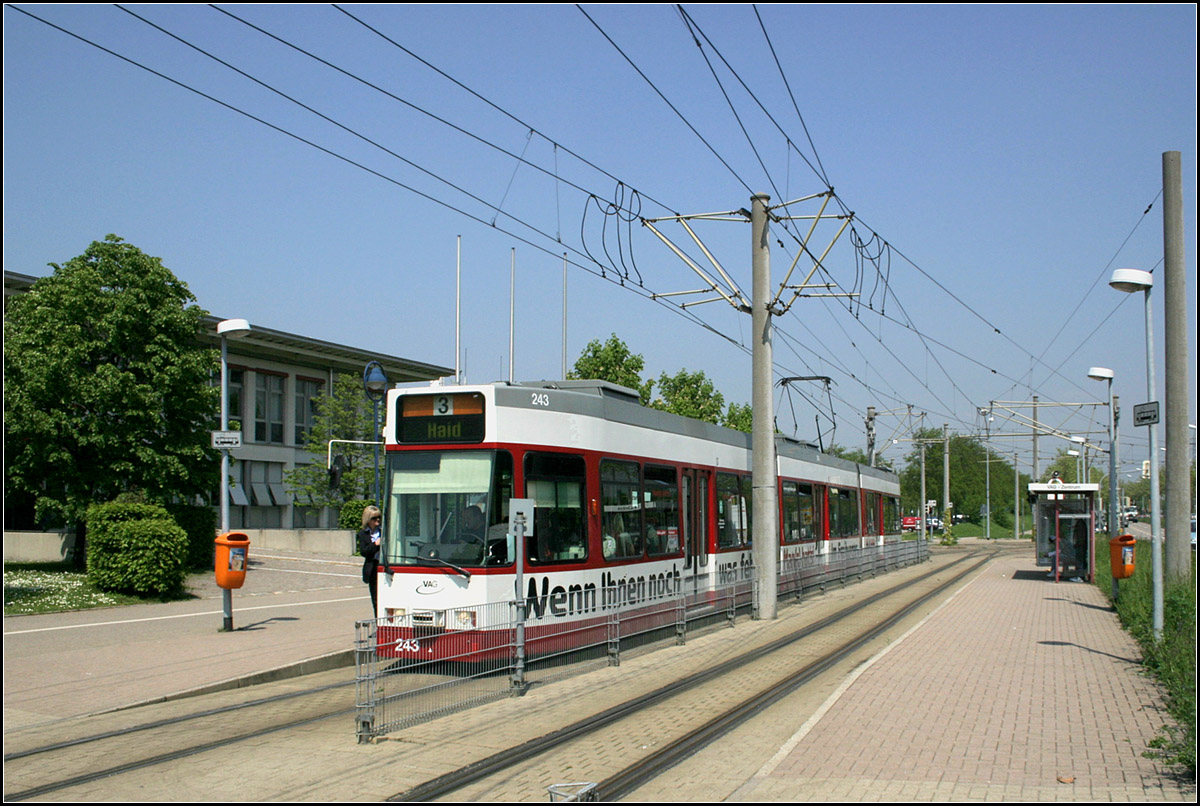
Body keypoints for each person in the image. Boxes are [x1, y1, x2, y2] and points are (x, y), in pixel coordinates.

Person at [358, 505, 382, 614]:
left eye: (379, 517)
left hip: (384, 566)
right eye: (374, 518)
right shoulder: (363, 534)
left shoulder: (383, 531)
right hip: (372, 569)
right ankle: (378, 622)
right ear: (368, 519)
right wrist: (376, 544)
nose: (377, 520)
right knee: (376, 599)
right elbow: (364, 551)